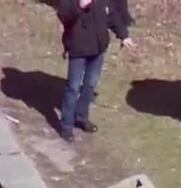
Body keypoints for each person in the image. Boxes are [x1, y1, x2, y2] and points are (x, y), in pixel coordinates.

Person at [56, 0, 135, 143]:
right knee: (73, 87)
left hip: (98, 48)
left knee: (90, 85)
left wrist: (123, 35)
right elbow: (64, 15)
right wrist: (79, 6)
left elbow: (111, 16)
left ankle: (81, 117)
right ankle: (66, 126)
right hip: (77, 47)